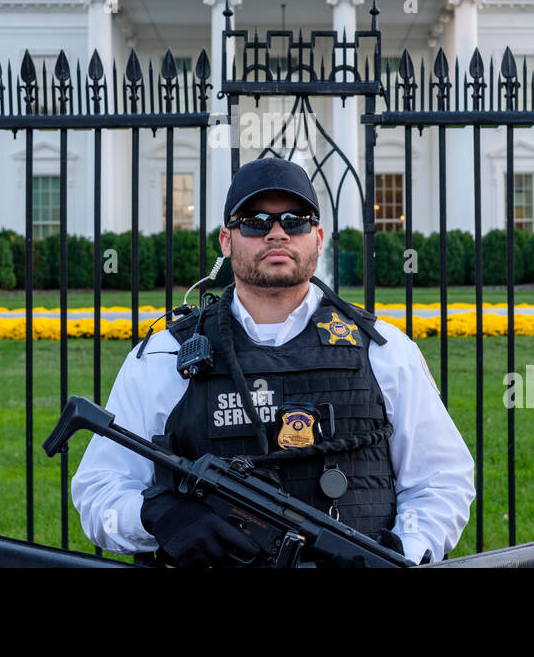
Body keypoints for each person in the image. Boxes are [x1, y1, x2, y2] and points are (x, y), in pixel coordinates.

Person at [70, 157, 475, 567]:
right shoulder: (164, 355)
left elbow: (442, 480)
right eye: (255, 221)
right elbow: (99, 489)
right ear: (226, 241)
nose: (277, 233)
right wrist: (156, 517)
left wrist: (400, 551)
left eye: (295, 220)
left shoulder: (385, 350)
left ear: (317, 238)